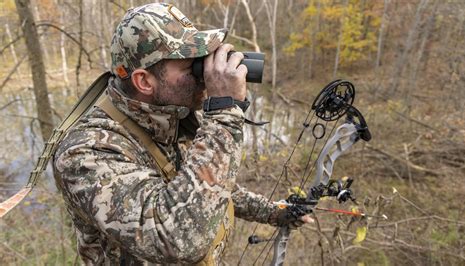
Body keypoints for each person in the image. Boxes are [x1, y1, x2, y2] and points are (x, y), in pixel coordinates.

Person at [53, 3, 312, 265]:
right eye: (193, 66)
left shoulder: (174, 116)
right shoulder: (86, 151)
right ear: (144, 81)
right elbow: (175, 237)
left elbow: (204, 185)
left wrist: (274, 212)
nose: (205, 75)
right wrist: (224, 110)